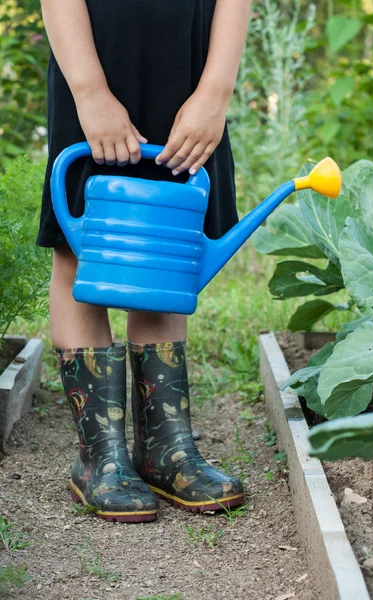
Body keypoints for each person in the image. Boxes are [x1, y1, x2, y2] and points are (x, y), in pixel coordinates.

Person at [37, 0, 252, 523]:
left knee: (165, 251)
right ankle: (99, 459)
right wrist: (89, 94)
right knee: (81, 251)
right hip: (93, 56)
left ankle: (165, 451)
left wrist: (214, 94)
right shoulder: (89, 85)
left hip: (189, 67)